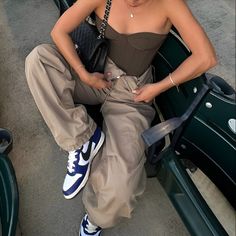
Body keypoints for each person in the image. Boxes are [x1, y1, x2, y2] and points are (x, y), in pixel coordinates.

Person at [25, 0, 217, 235]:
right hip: (97, 74)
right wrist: (85, 75)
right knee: (39, 60)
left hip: (132, 95)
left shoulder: (170, 3)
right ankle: (82, 140)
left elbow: (206, 57)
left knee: (121, 187)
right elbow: (60, 31)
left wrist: (158, 87)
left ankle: (95, 218)